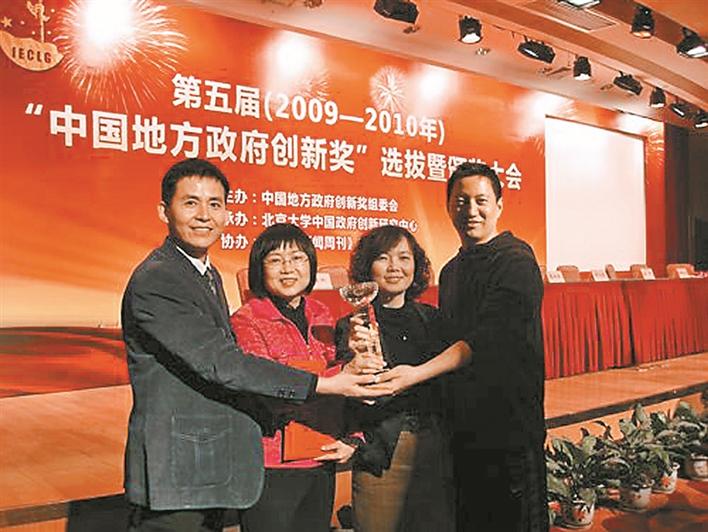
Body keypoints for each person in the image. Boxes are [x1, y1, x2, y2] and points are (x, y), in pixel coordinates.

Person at [121, 158, 383, 532]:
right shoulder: (159, 279)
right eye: (191, 203)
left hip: (218, 462)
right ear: (164, 211)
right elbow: (223, 363)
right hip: (182, 466)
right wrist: (327, 383)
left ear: (227, 213)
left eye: (214, 204)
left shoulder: (203, 273)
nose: (204, 215)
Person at [371, 162, 547, 531]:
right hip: (463, 428)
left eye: (481, 201)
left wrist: (415, 374)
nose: (471, 210)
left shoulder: (516, 261)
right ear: (449, 206)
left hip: (509, 428)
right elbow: (443, 339)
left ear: (499, 205)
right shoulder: (452, 271)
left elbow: (488, 341)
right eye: (461, 201)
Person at [230, 223, 360, 532]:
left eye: (298, 258)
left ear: (311, 265)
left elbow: (348, 381)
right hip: (271, 463)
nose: (288, 268)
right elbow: (266, 385)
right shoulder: (246, 320)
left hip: (323, 454)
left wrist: (354, 437)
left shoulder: (323, 313)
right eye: (275, 260)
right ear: (259, 269)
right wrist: (334, 378)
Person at [337, 226, 454, 532]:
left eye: (404, 257)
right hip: (382, 451)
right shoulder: (353, 325)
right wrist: (355, 358)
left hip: (433, 447)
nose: (394, 267)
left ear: (416, 265)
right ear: (367, 267)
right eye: (383, 258)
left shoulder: (433, 319)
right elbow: (347, 390)